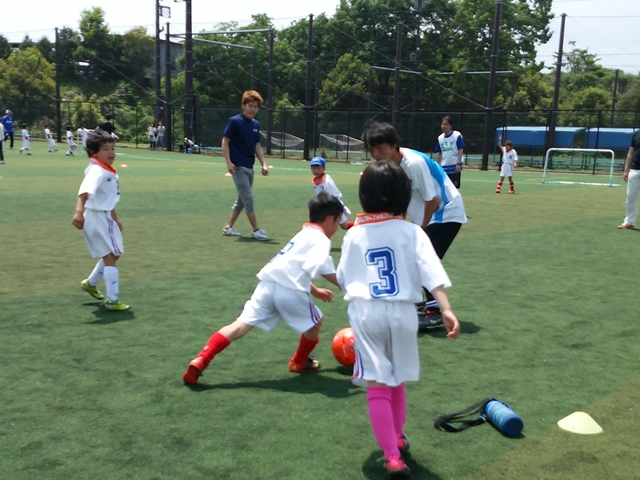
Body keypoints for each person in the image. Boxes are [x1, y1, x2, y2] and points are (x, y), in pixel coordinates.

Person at [336, 160, 460, 478]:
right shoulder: (413, 232)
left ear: (366, 196)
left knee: (377, 385)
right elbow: (431, 273)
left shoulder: (354, 235)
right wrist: (445, 308)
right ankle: (399, 436)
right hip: (405, 312)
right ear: (404, 196)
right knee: (397, 379)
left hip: (367, 312)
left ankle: (392, 456)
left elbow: (343, 278)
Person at [182, 192, 344, 385]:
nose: (336, 228)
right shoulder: (321, 239)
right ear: (330, 219)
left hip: (267, 286)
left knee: (239, 326)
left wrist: (314, 290)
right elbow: (321, 267)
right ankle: (299, 362)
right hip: (289, 292)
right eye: (337, 223)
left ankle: (201, 359)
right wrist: (347, 284)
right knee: (316, 322)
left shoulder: (302, 235)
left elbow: (290, 267)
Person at [361, 121, 467, 330]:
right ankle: (422, 302)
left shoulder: (413, 163)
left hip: (445, 213)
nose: (375, 153)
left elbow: (432, 200)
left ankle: (435, 310)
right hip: (427, 215)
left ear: (394, 145)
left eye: (380, 147)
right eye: (371, 149)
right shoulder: (391, 167)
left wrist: (420, 229)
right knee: (409, 257)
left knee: (422, 259)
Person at [72, 130, 129, 311]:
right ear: (94, 152)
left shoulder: (104, 169)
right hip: (98, 217)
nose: (111, 153)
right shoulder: (97, 171)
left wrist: (115, 219)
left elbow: (106, 199)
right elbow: (84, 192)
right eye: (106, 149)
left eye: (112, 148)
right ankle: (112, 299)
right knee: (110, 256)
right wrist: (78, 212)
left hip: (103, 216)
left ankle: (91, 283)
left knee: (114, 253)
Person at [221, 90, 270, 241]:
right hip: (238, 167)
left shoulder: (255, 124)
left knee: (242, 200)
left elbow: (257, 145)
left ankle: (228, 227)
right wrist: (228, 162)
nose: (253, 109)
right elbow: (225, 141)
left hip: (250, 167)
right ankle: (256, 230)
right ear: (243, 106)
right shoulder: (234, 122)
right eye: (250, 105)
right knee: (248, 198)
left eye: (256, 106)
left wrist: (264, 164)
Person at [310, 156, 353, 230]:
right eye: (314, 168)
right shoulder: (315, 180)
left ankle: (358, 226)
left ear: (324, 169)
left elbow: (332, 196)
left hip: (334, 204)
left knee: (344, 226)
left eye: (318, 168)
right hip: (324, 205)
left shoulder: (326, 181)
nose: (316, 171)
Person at [434, 115, 466, 189]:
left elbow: (460, 149)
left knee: (454, 188)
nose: (444, 126)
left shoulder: (456, 135)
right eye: (442, 124)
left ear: (450, 126)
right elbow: (439, 152)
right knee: (445, 188)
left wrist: (458, 163)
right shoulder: (440, 138)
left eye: (446, 124)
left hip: (454, 166)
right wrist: (437, 165)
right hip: (444, 167)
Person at [618, 129, 640, 229]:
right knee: (630, 197)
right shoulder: (636, 134)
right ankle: (629, 222)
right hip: (635, 170)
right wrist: (626, 170)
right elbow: (631, 153)